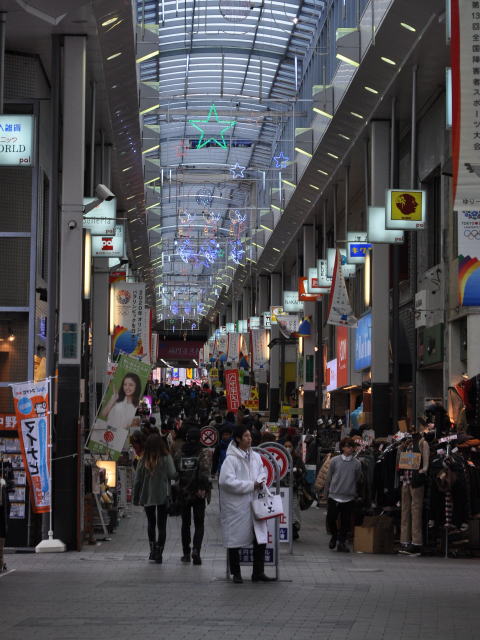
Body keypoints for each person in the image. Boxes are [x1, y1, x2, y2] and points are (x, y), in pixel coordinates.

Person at [219, 425, 275, 583]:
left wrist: (261, 480)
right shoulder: (231, 459)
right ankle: (236, 573)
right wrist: (251, 485)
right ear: (238, 439)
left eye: (250, 436)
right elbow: (226, 481)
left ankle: (258, 572)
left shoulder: (256, 456)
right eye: (245, 436)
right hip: (237, 506)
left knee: (260, 538)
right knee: (234, 540)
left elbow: (263, 471)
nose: (249, 439)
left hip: (255, 503)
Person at [133, 434, 177, 564]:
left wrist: (136, 498)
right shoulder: (166, 457)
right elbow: (172, 474)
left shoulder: (143, 459)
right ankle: (159, 552)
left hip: (147, 495)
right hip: (163, 495)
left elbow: (137, 481)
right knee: (162, 525)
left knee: (151, 523)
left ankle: (152, 550)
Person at [174, 428, 212, 565]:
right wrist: (203, 489)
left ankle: (186, 553)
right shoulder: (203, 453)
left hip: (184, 493)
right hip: (199, 493)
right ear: (200, 438)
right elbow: (206, 472)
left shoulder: (180, 453)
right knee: (199, 524)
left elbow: (176, 472)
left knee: (185, 524)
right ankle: (196, 550)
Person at [324, 437, 362, 552]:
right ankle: (334, 535)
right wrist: (326, 493)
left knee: (346, 522)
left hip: (348, 496)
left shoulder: (357, 463)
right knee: (331, 518)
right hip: (334, 494)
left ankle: (341, 542)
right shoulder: (335, 461)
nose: (349, 449)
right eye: (347, 446)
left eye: (351, 446)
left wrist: (354, 491)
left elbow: (358, 478)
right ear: (342, 448)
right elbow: (329, 477)